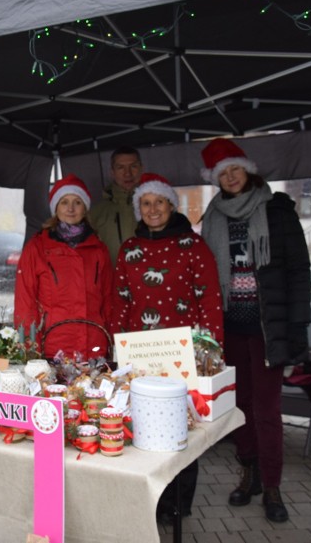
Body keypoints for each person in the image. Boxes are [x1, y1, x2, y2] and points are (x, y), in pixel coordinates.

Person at [199, 138, 311, 523]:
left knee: (267, 410)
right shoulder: (212, 216)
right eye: (222, 173)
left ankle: (274, 487)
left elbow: (299, 272)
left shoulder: (278, 211)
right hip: (229, 327)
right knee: (239, 406)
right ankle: (249, 474)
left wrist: (297, 330)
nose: (230, 177)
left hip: (268, 327)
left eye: (234, 168)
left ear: (247, 169)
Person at [110, 172, 224, 521]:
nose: (153, 209)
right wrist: (116, 347)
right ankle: (147, 498)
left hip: (182, 352)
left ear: (171, 205)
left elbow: (210, 300)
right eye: (146, 203)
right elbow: (121, 300)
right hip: (140, 352)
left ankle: (177, 503)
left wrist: (213, 351)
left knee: (179, 428)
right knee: (142, 423)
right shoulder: (130, 249)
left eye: (159, 202)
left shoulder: (194, 245)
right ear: (138, 208)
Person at [14, 174, 113, 360]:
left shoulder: (99, 249)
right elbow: (25, 303)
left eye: (77, 202)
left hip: (94, 346)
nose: (70, 208)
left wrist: (113, 342)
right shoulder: (37, 248)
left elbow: (108, 301)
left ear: (85, 208)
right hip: (54, 347)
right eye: (64, 202)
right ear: (55, 208)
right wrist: (29, 347)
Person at [88, 146, 143, 263]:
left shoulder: (156, 208)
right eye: (120, 168)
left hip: (149, 279)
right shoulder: (95, 213)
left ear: (141, 168)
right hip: (112, 280)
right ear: (112, 172)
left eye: (133, 166)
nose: (128, 173)